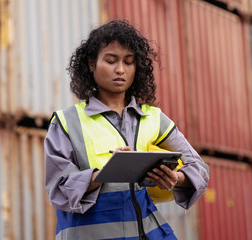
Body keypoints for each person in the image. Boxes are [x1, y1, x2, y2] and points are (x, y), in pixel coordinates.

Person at [44, 20, 209, 240]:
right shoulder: (66, 122)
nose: (120, 70)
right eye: (111, 61)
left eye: (129, 62)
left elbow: (199, 168)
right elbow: (58, 188)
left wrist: (175, 178)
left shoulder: (153, 118)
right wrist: (104, 173)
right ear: (91, 64)